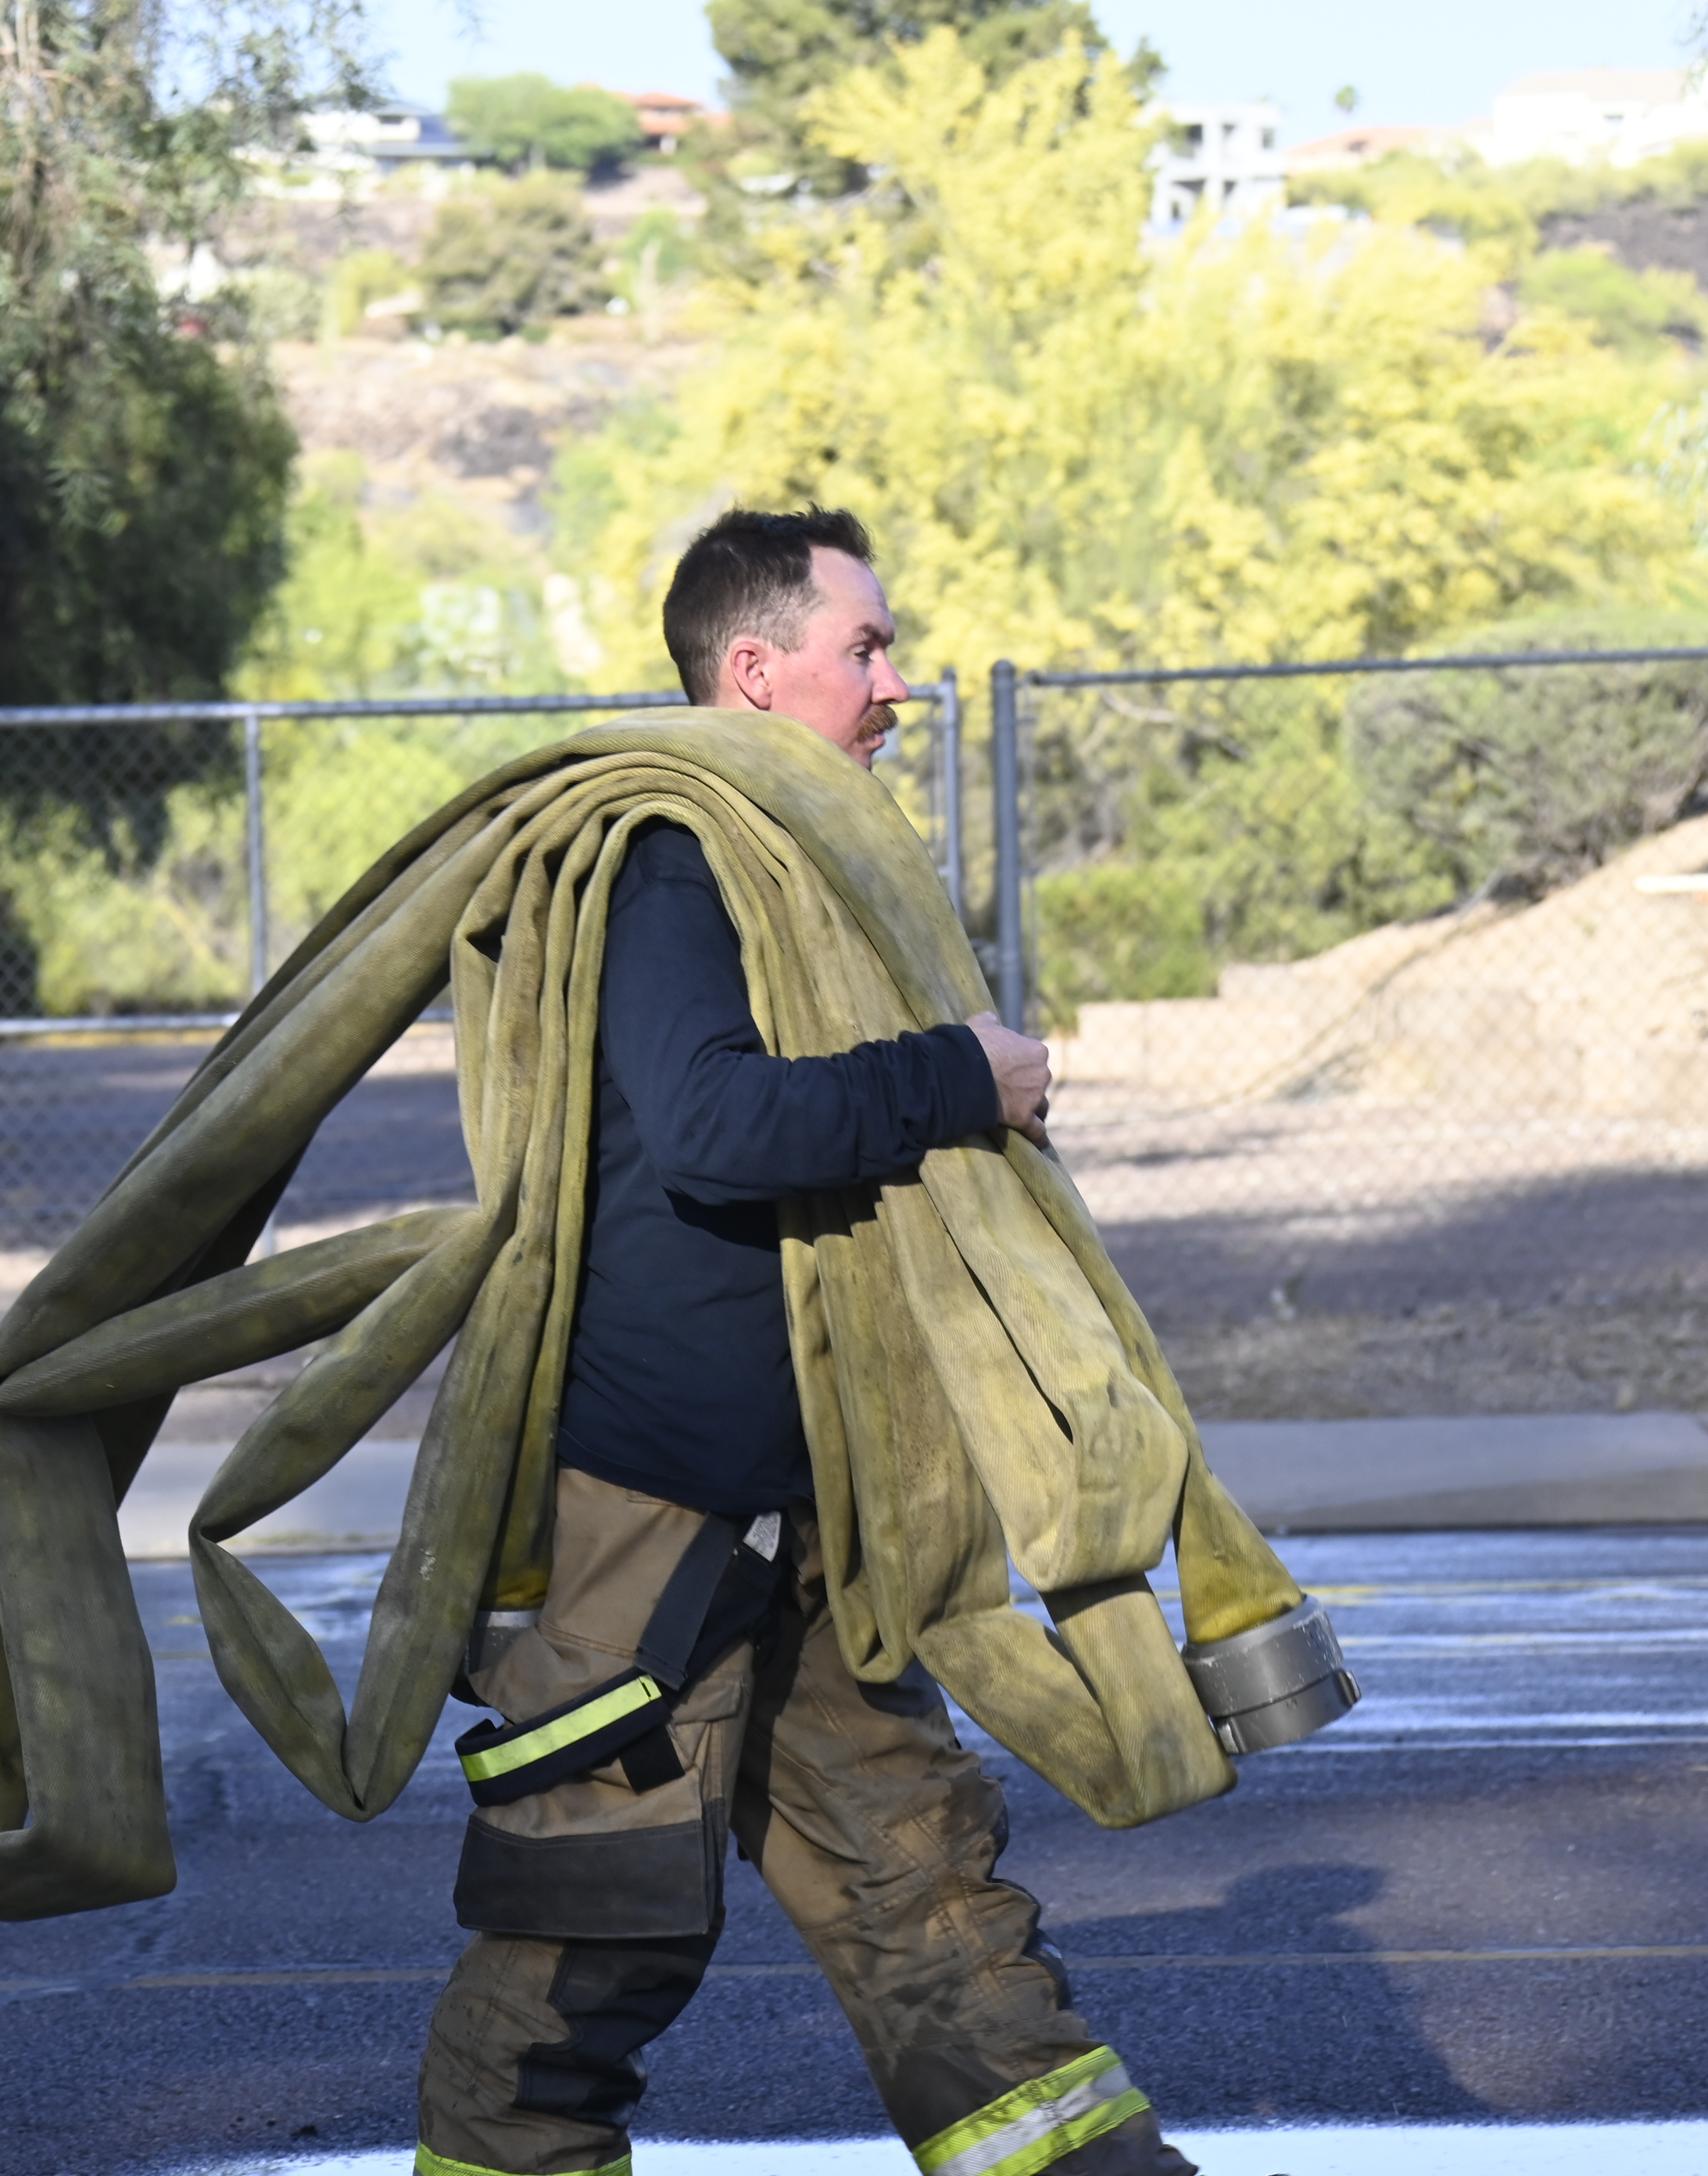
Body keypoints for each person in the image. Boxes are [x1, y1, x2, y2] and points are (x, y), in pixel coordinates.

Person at [415, 509, 1192, 2176]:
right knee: (590, 1928)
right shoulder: (667, 855)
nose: (898, 685)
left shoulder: (802, 861)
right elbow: (713, 1128)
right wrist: (957, 1076)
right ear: (757, 671)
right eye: (868, 647)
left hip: (822, 1504)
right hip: (662, 1510)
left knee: (929, 1899)